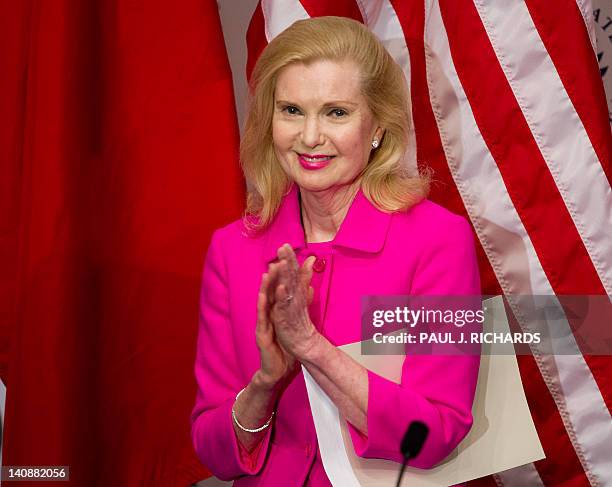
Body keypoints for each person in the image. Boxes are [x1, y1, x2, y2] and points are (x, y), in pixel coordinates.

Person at [191, 16, 480, 486]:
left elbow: (436, 431)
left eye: (336, 113)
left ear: (378, 127)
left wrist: (310, 349)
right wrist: (264, 385)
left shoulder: (439, 241)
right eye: (291, 110)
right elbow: (212, 449)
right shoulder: (231, 249)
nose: (309, 137)